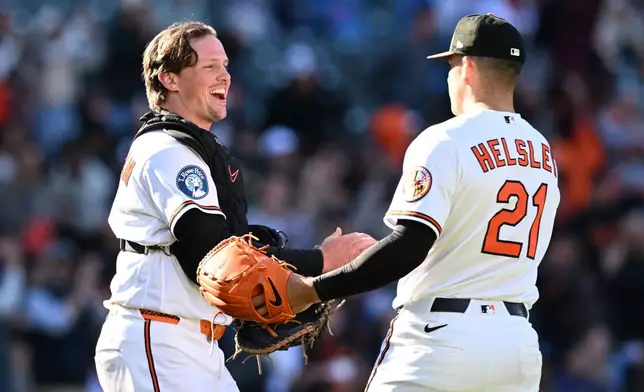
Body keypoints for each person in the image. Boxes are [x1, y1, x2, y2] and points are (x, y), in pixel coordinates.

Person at [269, 14, 560, 391]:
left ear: (467, 66)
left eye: (452, 66)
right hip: (515, 343)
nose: (450, 76)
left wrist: (314, 288)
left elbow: (410, 245)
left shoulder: (444, 140)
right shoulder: (543, 152)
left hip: (441, 337)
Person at [94, 21, 375, 392]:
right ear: (169, 80)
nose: (224, 76)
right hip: (158, 337)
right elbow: (214, 254)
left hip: (192, 342)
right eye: (209, 66)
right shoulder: (167, 152)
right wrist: (320, 261)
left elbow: (228, 249)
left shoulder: (187, 150)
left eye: (225, 65)